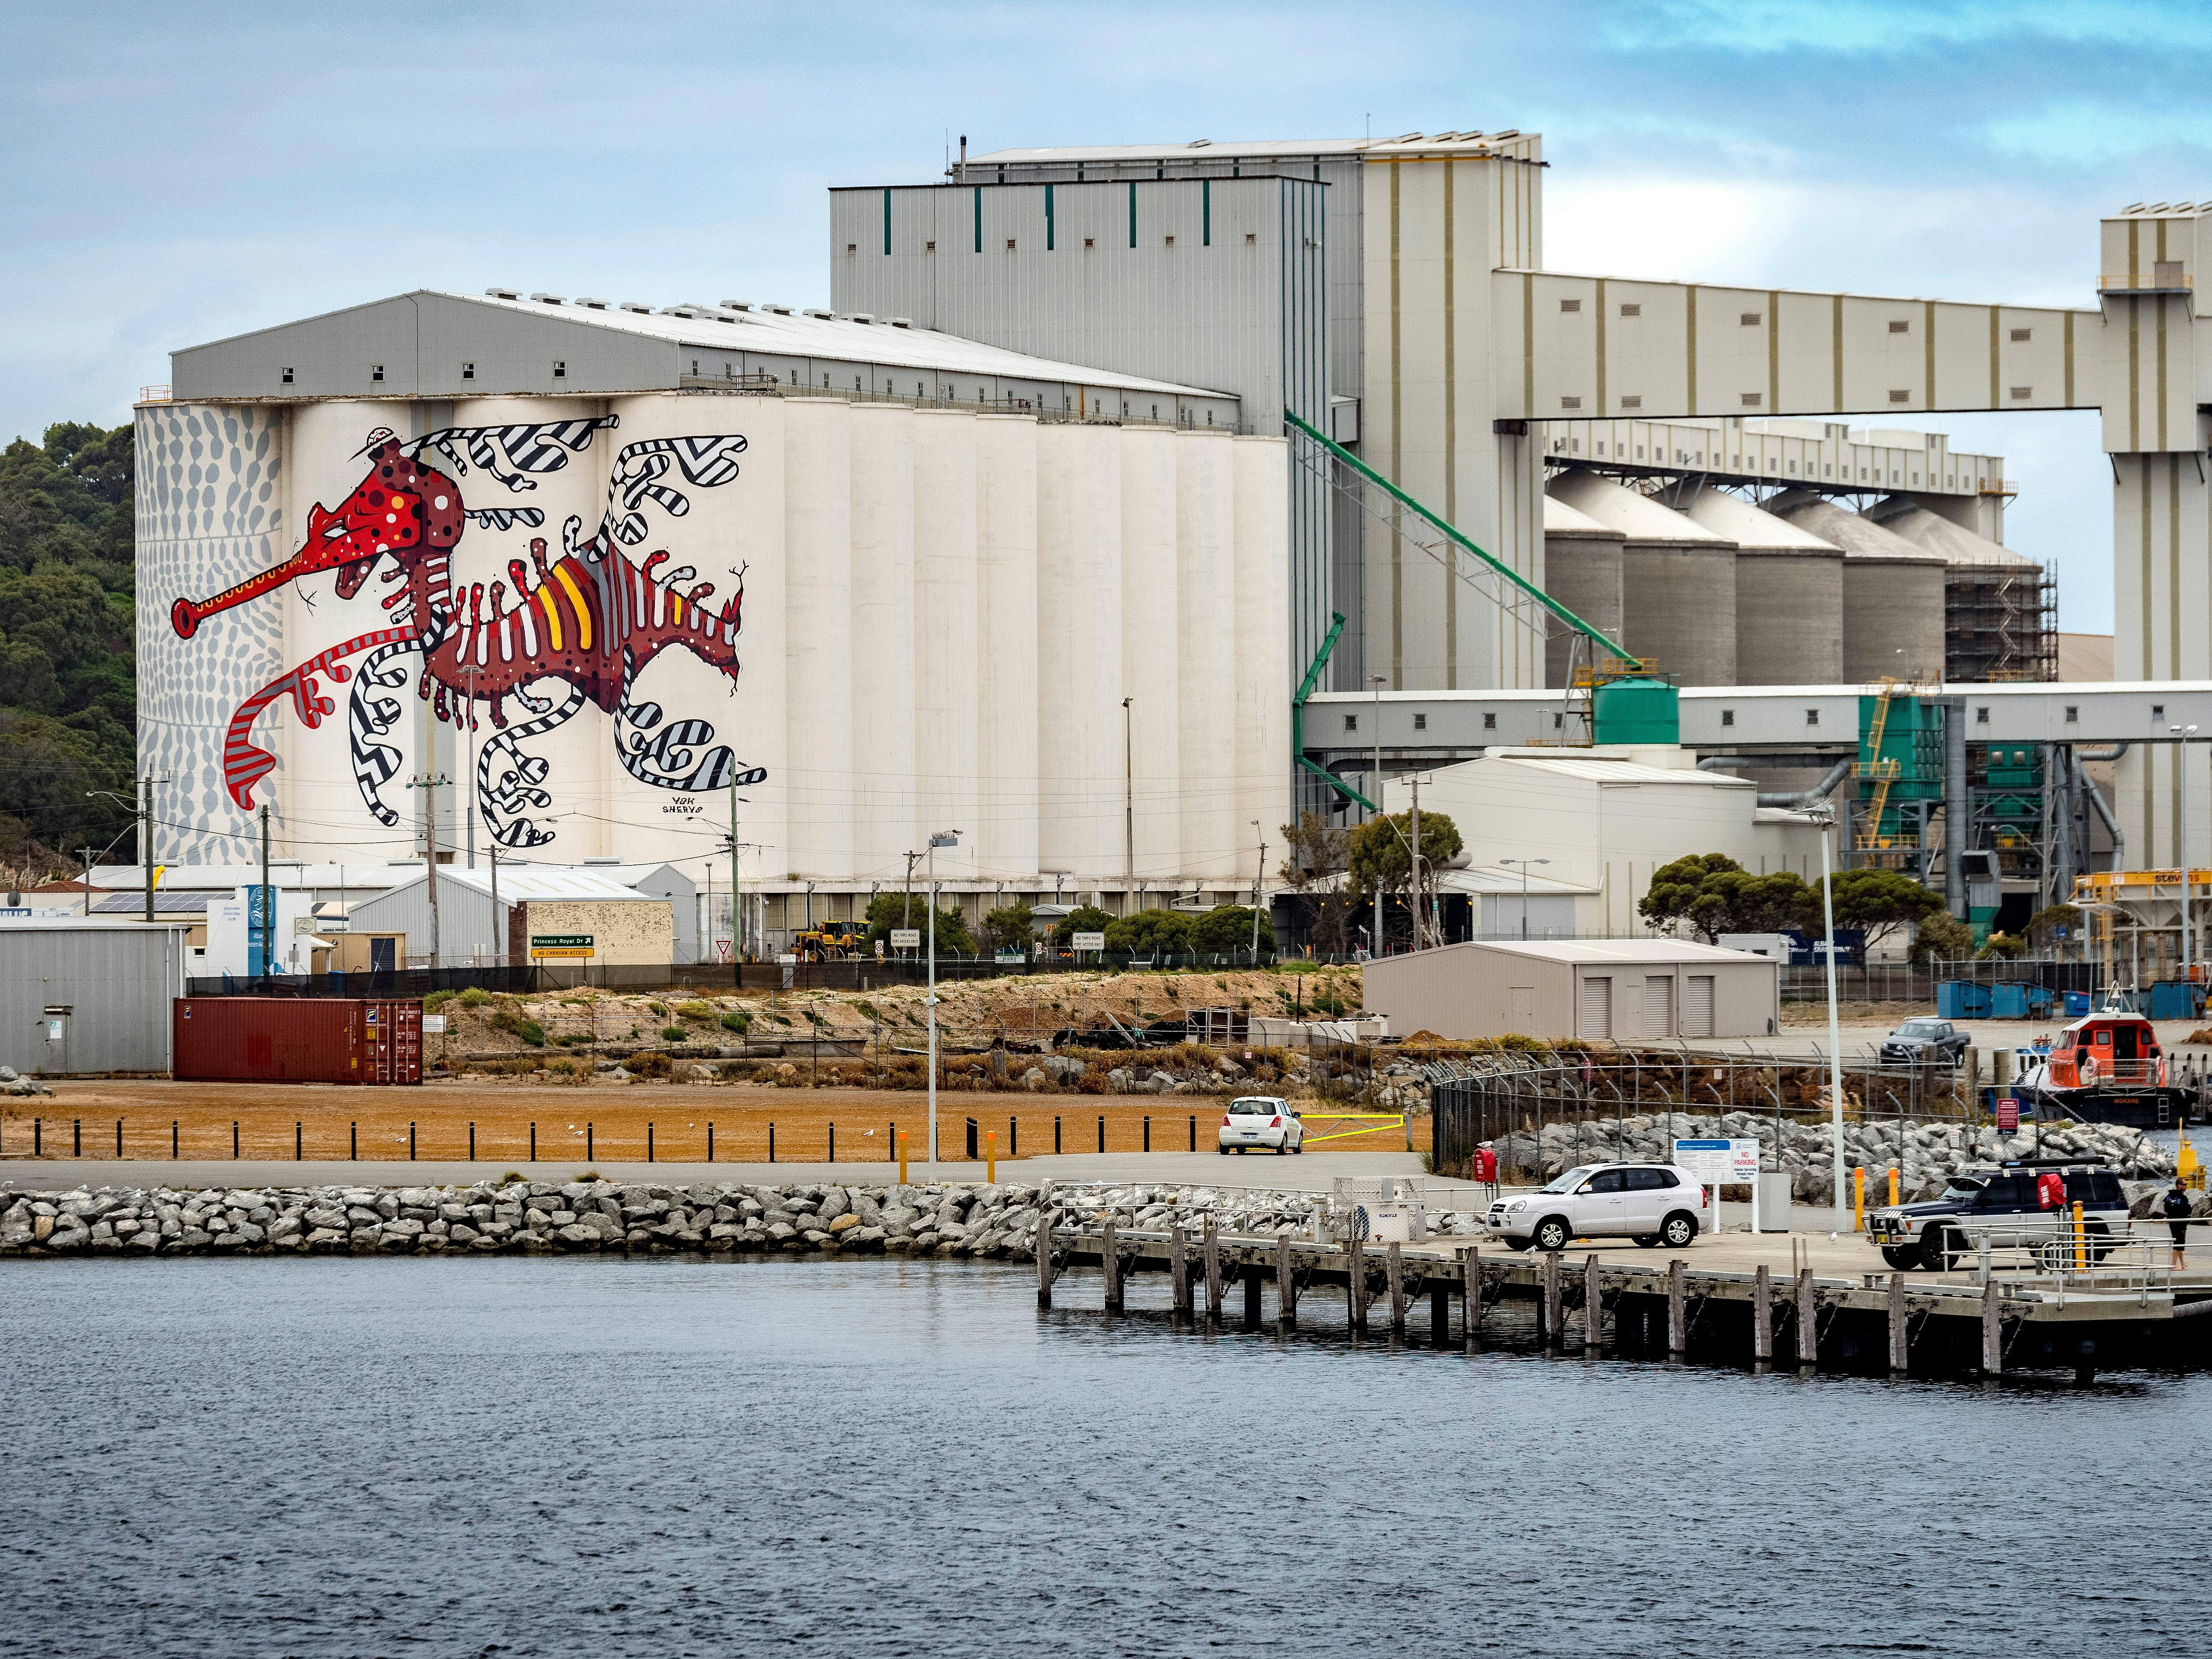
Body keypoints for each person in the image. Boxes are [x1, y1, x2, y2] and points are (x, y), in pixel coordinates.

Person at [2163, 1177, 2193, 1271]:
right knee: (2178, 1244)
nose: (2186, 1186)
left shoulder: (2170, 1195)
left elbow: (2164, 1203)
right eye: (2184, 1185)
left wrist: (2171, 1212)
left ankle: (2183, 1263)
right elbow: (2189, 1210)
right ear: (2179, 1185)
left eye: (2187, 1185)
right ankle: (2174, 1265)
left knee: (2178, 1242)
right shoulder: (2183, 1198)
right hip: (2181, 1223)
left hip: (2172, 1222)